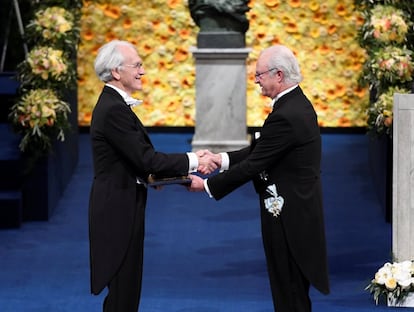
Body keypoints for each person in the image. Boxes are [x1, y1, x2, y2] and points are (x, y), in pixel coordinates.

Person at [189, 44, 330, 312]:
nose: (255, 80)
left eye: (259, 74)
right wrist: (221, 159)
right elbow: (264, 148)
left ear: (278, 75)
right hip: (294, 213)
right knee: (289, 290)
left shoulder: (288, 114)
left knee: (289, 291)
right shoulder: (294, 104)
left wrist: (207, 185)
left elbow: (256, 163)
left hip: (290, 220)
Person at [88, 39, 217, 312]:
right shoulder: (113, 109)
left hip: (125, 205)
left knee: (127, 292)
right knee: (123, 294)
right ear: (115, 72)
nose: (142, 71)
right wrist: (195, 160)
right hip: (116, 212)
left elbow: (138, 163)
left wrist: (180, 177)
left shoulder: (116, 106)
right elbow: (146, 160)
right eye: (136, 65)